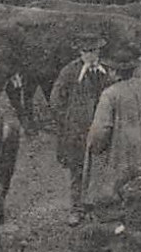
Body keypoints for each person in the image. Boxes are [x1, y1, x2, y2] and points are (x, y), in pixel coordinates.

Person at [49, 35, 119, 226]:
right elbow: (56, 99)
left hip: (103, 130)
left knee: (102, 168)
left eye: (94, 51)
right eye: (86, 52)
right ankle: (76, 209)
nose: (90, 56)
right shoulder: (70, 72)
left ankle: (99, 207)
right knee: (77, 169)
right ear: (80, 53)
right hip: (77, 132)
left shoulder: (108, 72)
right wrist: (68, 121)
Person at [84, 52, 141, 207]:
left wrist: (95, 147)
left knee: (116, 192)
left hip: (119, 154)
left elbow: (100, 130)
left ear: (114, 72)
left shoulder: (109, 94)